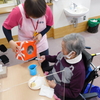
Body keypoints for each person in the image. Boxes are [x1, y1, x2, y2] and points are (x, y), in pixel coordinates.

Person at [2, 0, 53, 72]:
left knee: (45, 59)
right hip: (26, 41)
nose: (36, 19)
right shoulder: (18, 12)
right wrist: (11, 41)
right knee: (31, 62)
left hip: (41, 39)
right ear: (27, 11)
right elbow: (6, 27)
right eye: (34, 17)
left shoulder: (46, 9)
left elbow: (49, 25)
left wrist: (41, 34)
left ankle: (46, 76)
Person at [39, 33, 86, 100]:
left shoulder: (79, 70)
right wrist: (46, 58)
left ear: (72, 53)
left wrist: (55, 86)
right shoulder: (65, 55)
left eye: (63, 48)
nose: (61, 50)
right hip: (51, 78)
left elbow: (73, 93)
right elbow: (57, 58)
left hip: (59, 91)